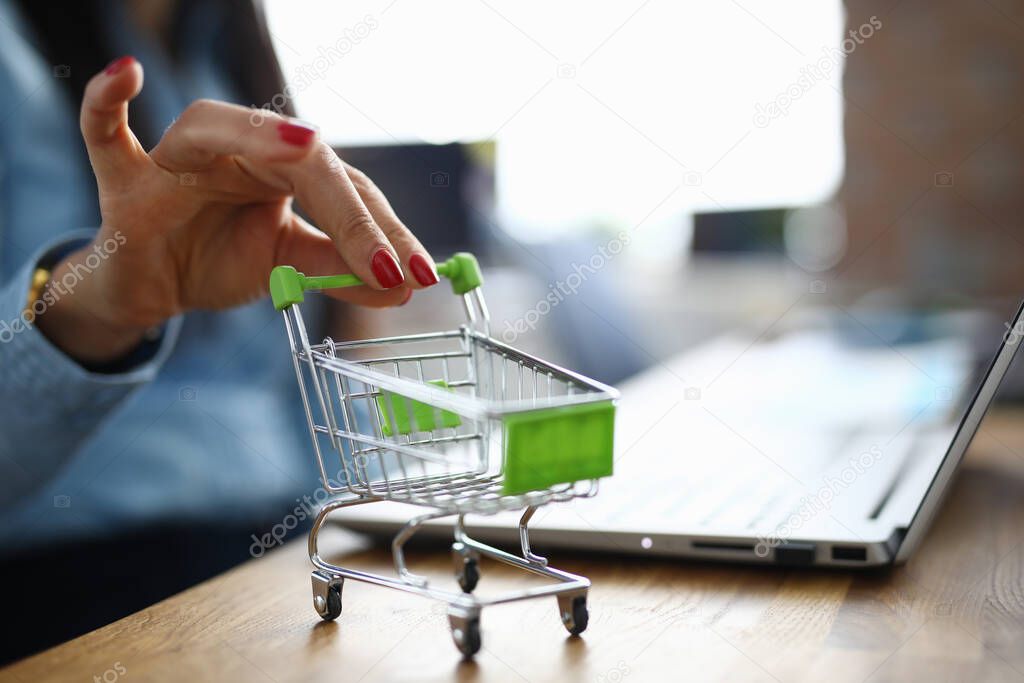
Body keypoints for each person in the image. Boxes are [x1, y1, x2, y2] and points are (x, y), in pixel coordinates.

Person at [0, 0, 439, 660]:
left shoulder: (225, 42)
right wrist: (93, 315)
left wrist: (395, 510)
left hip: (290, 550)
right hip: (83, 581)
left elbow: (308, 408)